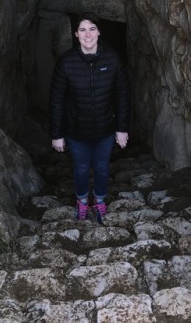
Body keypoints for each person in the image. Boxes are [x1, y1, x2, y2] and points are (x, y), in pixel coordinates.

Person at [49, 12, 130, 223]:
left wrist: (122, 128)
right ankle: (82, 202)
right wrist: (57, 134)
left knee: (103, 167)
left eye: (92, 29)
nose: (88, 34)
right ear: (76, 34)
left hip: (105, 128)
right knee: (82, 168)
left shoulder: (112, 58)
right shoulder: (66, 62)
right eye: (82, 30)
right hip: (76, 131)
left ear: (99, 32)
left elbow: (122, 94)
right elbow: (56, 100)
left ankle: (100, 201)